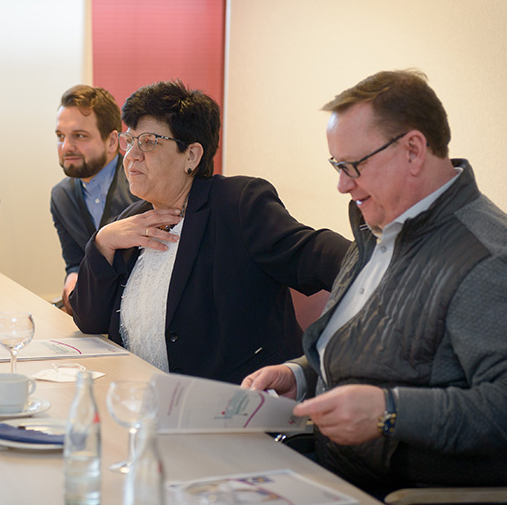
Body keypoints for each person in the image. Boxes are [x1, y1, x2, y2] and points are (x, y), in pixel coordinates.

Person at [242, 70, 507, 492]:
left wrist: (390, 411)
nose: (342, 184)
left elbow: (499, 409)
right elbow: (383, 352)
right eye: (336, 165)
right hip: (328, 466)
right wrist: (303, 375)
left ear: (414, 150)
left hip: (390, 489)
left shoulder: (486, 258)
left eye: (353, 166)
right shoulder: (378, 228)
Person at [69, 80, 350, 384]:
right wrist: (102, 241)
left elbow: (322, 254)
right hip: (144, 402)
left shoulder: (238, 203)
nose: (131, 155)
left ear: (191, 156)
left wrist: (391, 270)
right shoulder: (134, 219)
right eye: (130, 140)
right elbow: (88, 320)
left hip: (237, 402)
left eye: (148, 142)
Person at [51, 85, 138, 314]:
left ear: (112, 141)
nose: (66, 147)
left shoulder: (140, 187)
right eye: (60, 136)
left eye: (79, 136)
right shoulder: (61, 196)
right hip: (92, 313)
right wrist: (72, 281)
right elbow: (75, 261)